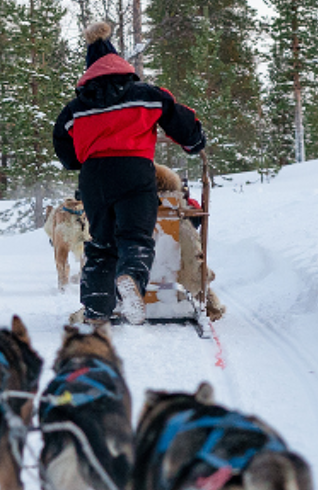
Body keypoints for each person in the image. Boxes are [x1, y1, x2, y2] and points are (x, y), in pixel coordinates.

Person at [53, 21, 206, 324]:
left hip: (94, 177)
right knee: (135, 236)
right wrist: (194, 142)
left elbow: (65, 151)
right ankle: (131, 279)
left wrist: (85, 157)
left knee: (101, 243)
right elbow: (182, 122)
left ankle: (97, 308)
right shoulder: (146, 94)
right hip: (134, 171)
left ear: (89, 71)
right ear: (120, 64)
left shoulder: (75, 108)